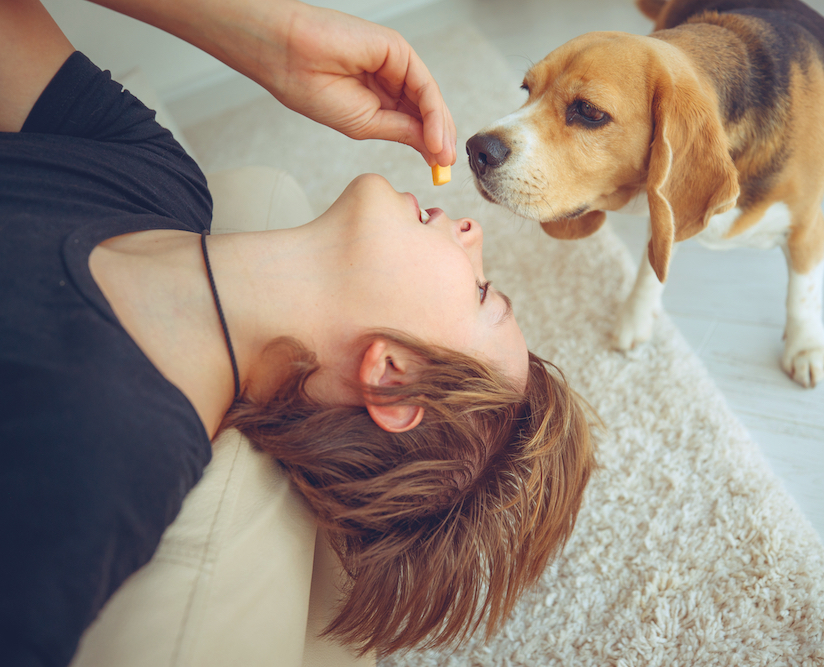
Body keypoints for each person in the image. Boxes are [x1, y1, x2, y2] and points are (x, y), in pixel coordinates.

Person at [0, 0, 597, 665]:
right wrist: (267, 33)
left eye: (482, 292)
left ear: (393, 376)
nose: (473, 230)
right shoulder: (165, 184)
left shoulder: (104, 453)